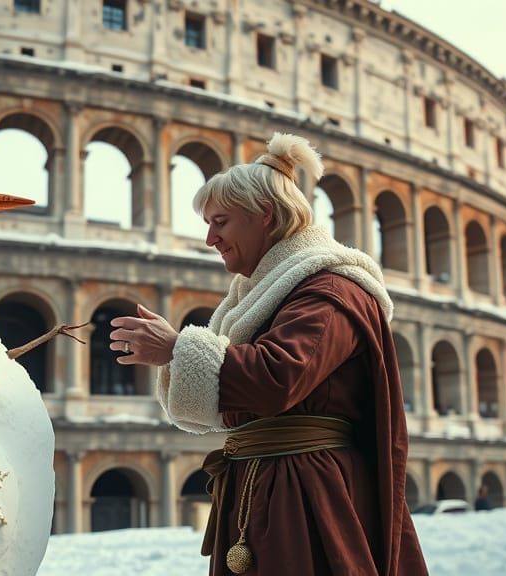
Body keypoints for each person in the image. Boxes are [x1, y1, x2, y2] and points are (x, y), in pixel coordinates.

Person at [110, 133, 427, 575]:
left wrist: (177, 347)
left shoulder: (332, 288)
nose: (210, 239)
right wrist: (176, 354)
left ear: (265, 216)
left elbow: (280, 377)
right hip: (271, 482)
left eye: (220, 221)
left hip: (308, 493)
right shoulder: (272, 290)